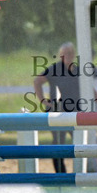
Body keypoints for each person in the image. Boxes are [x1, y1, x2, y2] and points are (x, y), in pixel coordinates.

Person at [32, 42, 81, 173]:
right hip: (58, 112)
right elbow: (37, 81)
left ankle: (80, 171)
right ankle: (61, 173)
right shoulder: (55, 69)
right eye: (65, 54)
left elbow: (89, 87)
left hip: (75, 112)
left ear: (73, 55)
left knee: (80, 140)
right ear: (61, 55)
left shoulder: (77, 70)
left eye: (70, 53)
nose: (68, 56)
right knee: (59, 142)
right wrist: (43, 100)